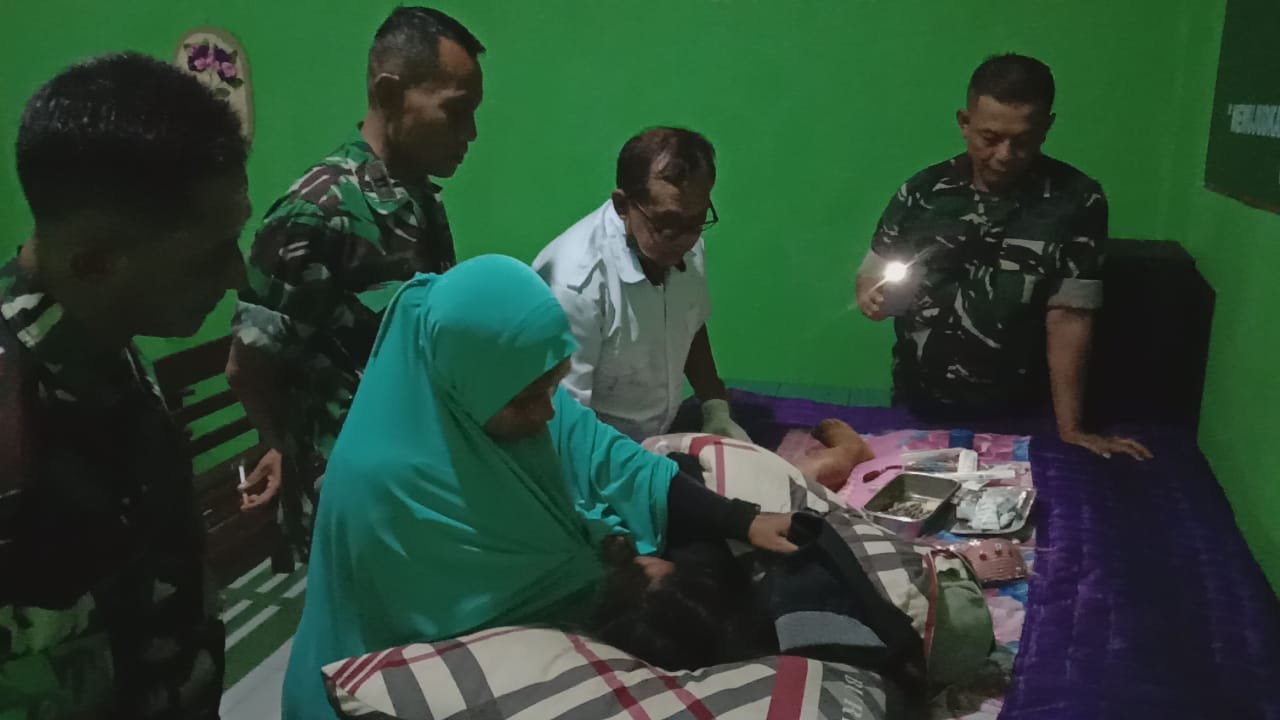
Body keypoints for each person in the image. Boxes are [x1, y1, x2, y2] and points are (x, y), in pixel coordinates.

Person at [281, 255, 796, 719]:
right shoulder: (385, 484)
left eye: (553, 385)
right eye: (528, 399)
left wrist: (742, 519)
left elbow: (612, 460)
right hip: (375, 690)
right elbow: (469, 609)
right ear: (465, 385)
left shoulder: (507, 389)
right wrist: (624, 580)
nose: (548, 411)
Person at [0, 53, 250, 719]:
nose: (238, 276)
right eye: (211, 253)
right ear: (95, 263)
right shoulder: (14, 419)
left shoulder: (102, 345)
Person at [227, 6, 485, 562]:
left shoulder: (417, 199)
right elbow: (247, 366)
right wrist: (279, 443)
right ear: (389, 94)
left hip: (415, 479)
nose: (470, 133)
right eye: (456, 111)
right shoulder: (317, 212)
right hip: (351, 499)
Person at [855, 54, 1152, 461]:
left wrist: (1071, 429)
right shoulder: (922, 191)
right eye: (990, 138)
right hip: (918, 405)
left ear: (1046, 127)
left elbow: (1069, 317)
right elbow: (871, 274)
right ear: (964, 122)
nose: (1005, 155)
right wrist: (872, 298)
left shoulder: (1076, 200)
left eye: (1023, 141)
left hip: (1023, 413)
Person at [533, 127, 748, 443]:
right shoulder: (576, 284)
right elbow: (565, 426)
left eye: (697, 219)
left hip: (657, 438)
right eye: (668, 224)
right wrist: (645, 466)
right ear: (623, 206)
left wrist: (715, 407)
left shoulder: (684, 240)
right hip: (596, 450)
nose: (686, 239)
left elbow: (689, 322)